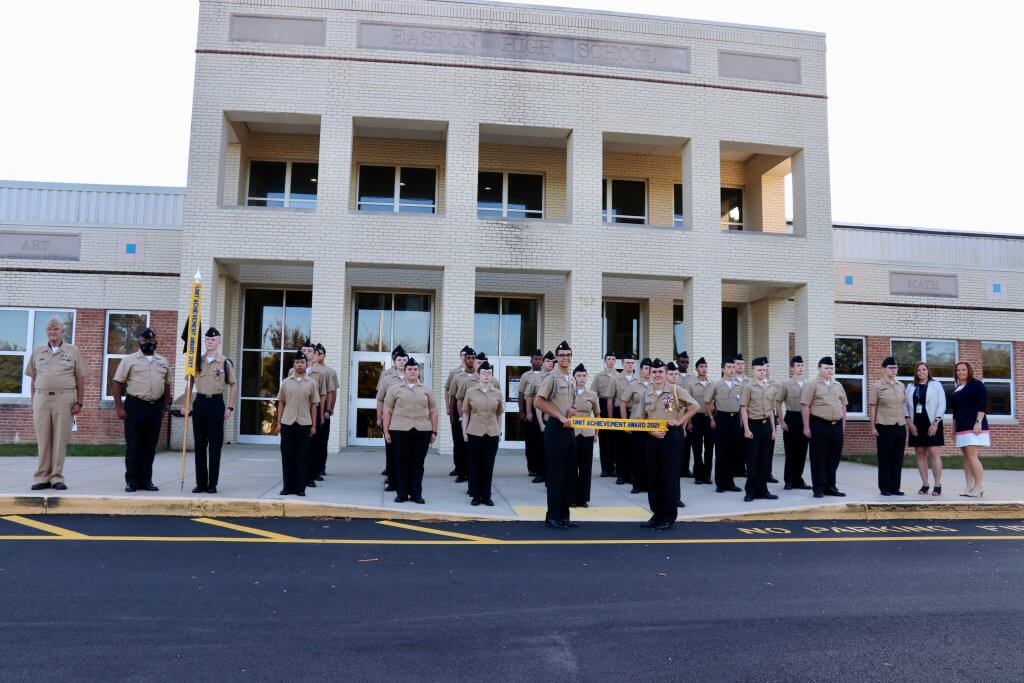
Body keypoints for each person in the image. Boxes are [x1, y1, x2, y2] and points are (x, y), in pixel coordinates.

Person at [26, 315, 86, 491]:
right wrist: (33, 401)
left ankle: (57, 477)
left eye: (56, 329)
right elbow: (33, 379)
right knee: (43, 438)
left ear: (62, 331)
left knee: (60, 438)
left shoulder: (72, 351)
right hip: (41, 398)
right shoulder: (38, 351)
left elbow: (80, 379)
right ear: (46, 331)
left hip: (64, 398)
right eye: (49, 329)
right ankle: (42, 477)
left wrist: (79, 402)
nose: (53, 332)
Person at [639, 358, 699, 530]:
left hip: (671, 437)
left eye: (660, 372)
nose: (657, 375)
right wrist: (650, 431)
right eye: (654, 372)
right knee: (653, 477)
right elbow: (641, 418)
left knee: (669, 476)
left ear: (665, 374)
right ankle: (656, 513)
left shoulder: (675, 390)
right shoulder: (646, 394)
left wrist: (680, 421)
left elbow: (694, 406)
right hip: (652, 437)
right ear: (650, 374)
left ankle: (668, 515)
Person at [112, 327, 172, 492]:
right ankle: (131, 480)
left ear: (156, 342)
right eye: (145, 340)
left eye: (151, 341)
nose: (148, 343)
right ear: (139, 341)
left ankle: (146, 480)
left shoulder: (163, 361)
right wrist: (119, 407)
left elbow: (167, 386)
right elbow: (117, 383)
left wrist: (165, 407)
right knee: (134, 445)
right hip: (135, 406)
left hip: (155, 408)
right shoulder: (129, 360)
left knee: (149, 446)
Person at [188, 327, 236, 494]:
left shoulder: (224, 362)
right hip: (200, 403)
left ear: (219, 341)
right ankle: (200, 483)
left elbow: (233, 384)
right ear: (205, 341)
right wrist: (186, 404)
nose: (210, 342)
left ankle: (212, 484)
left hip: (216, 404)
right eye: (208, 339)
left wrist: (230, 406)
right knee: (200, 445)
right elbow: (190, 383)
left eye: (213, 339)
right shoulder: (196, 362)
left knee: (215, 446)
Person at [383, 357, 437, 504]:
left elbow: (433, 411)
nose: (412, 371)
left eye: (415, 369)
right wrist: (386, 431)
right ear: (405, 371)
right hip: (399, 430)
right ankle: (401, 493)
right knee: (401, 463)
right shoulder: (394, 389)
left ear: (418, 372)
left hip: (422, 431)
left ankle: (416, 494)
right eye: (409, 369)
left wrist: (434, 431)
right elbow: (387, 410)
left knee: (418, 463)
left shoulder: (427, 390)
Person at [535, 341, 577, 530]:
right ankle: (552, 516)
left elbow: (570, 402)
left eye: (568, 355)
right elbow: (539, 402)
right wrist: (560, 416)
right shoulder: (551, 378)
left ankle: (564, 515)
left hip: (569, 429)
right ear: (557, 358)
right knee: (556, 475)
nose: (565, 358)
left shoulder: (572, 379)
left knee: (569, 474)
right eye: (562, 355)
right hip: (555, 430)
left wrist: (572, 410)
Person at [801, 356, 848, 499]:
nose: (829, 370)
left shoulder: (838, 385)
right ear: (819, 368)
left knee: (834, 458)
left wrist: (843, 425)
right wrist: (806, 427)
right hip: (819, 425)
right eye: (826, 368)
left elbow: (844, 405)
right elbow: (805, 406)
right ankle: (818, 488)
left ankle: (830, 486)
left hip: (836, 426)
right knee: (818, 458)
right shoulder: (813, 385)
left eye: (831, 368)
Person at [275, 351, 318, 496]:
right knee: (287, 456)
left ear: (306, 365)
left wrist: (313, 425)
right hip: (287, 422)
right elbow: (281, 402)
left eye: (303, 362)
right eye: (297, 362)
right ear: (294, 365)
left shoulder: (312, 383)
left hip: (304, 423)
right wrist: (279, 422)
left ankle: (300, 488)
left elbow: (314, 405)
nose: (300, 365)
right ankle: (287, 487)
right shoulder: (286, 382)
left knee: (302, 456)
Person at [461, 359, 503, 506]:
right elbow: (465, 412)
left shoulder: (497, 393)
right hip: (474, 432)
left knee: (488, 465)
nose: (486, 375)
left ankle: (487, 496)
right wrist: (464, 432)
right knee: (474, 465)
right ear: (478, 375)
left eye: (489, 373)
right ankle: (475, 495)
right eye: (484, 373)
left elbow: (499, 413)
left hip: (491, 433)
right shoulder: (470, 392)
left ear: (492, 376)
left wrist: (499, 431)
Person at [740, 357, 779, 502]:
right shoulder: (748, 387)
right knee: (752, 460)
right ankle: (750, 491)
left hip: (766, 426)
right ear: (753, 371)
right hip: (753, 425)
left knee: (765, 460)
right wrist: (746, 429)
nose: (762, 372)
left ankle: (763, 490)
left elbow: (771, 411)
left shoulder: (770, 388)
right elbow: (743, 408)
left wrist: (773, 430)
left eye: (764, 370)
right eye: (759, 370)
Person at [905, 361, 946, 496]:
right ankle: (925, 484)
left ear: (928, 371)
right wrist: (909, 424)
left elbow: (942, 404)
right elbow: (905, 406)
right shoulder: (911, 386)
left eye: (924, 369)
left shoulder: (936, 385)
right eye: (918, 370)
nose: (921, 372)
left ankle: (938, 484)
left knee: (934, 454)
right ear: (916, 372)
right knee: (921, 455)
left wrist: (936, 423)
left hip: (932, 423)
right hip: (916, 425)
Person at [868, 356, 906, 496]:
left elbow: (904, 405)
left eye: (895, 368)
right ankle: (884, 487)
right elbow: (873, 407)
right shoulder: (877, 386)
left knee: (897, 458)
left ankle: (895, 487)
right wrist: (873, 427)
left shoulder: (900, 385)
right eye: (891, 368)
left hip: (900, 425)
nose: (894, 370)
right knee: (885, 458)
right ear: (884, 369)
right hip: (884, 426)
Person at [950, 361, 989, 497]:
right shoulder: (957, 388)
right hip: (961, 427)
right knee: (966, 457)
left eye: (963, 370)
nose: (961, 372)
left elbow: (982, 405)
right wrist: (954, 427)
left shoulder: (977, 385)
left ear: (969, 371)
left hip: (974, 426)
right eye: (958, 370)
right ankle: (969, 486)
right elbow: (955, 410)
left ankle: (979, 487)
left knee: (972, 456)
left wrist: (978, 422)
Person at [775, 356, 811, 490]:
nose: (800, 368)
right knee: (791, 452)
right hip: (791, 418)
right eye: (798, 366)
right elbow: (778, 402)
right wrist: (782, 421)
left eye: (802, 365)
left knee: (802, 452)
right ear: (792, 368)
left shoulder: (808, 384)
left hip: (805, 419)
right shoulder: (786, 384)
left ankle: (798, 480)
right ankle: (788, 480)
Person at [376, 345, 408, 491]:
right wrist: (379, 417)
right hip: (391, 418)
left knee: (404, 451)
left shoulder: (413, 377)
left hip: (407, 420)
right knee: (391, 449)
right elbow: (380, 399)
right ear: (394, 361)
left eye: (404, 360)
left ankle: (403, 479)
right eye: (399, 359)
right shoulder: (387, 378)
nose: (402, 362)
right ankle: (391, 477)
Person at [708, 356, 743, 493]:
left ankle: (730, 482)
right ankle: (720, 483)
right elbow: (707, 402)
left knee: (733, 451)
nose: (732, 369)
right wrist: (711, 417)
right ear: (723, 369)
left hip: (734, 419)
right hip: (721, 419)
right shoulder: (717, 385)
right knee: (721, 452)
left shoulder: (739, 386)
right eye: (729, 367)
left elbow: (743, 405)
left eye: (733, 367)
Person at [620, 358, 652, 494]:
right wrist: (625, 423)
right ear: (641, 369)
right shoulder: (634, 385)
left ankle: (649, 485)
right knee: (637, 456)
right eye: (646, 368)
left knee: (650, 456)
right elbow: (623, 403)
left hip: (651, 426)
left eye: (651, 368)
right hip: (637, 424)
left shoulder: (656, 385)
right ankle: (637, 484)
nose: (649, 371)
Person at [570, 363, 600, 507]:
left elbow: (598, 415)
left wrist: (596, 433)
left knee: (586, 467)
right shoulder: (570, 393)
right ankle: (572, 498)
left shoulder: (592, 395)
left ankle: (583, 499)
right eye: (579, 375)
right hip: (573, 433)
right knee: (571, 466)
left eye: (584, 375)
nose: (581, 378)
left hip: (587, 433)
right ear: (574, 377)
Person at [525, 351, 555, 484]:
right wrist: (528, 412)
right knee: (539, 445)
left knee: (553, 447)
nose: (550, 364)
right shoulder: (536, 378)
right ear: (543, 363)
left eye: (552, 362)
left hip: (555, 417)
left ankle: (551, 474)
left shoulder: (559, 377)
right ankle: (540, 472)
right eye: (548, 361)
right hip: (540, 417)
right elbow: (529, 395)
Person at [684, 357, 714, 485]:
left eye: (705, 366)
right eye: (701, 366)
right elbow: (687, 405)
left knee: (709, 448)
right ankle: (698, 476)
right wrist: (689, 422)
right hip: (696, 418)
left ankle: (707, 476)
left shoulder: (712, 384)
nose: (704, 369)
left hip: (709, 419)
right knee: (696, 449)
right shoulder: (691, 385)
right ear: (696, 369)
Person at [312, 343, 339, 479]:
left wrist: (329, 409)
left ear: (324, 355)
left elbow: (331, 392)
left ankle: (321, 467)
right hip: (308, 411)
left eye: (320, 353)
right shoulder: (306, 370)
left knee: (322, 441)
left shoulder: (329, 372)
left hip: (322, 410)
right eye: (316, 353)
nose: (318, 356)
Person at [446, 346, 473, 481]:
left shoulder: (478, 374)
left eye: (467, 356)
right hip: (458, 412)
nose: (465, 358)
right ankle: (459, 468)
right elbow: (449, 393)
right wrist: (449, 412)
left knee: (469, 443)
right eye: (463, 355)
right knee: (458, 442)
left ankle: (469, 469)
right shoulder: (455, 373)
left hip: (473, 413)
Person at [591, 351, 619, 478]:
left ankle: (613, 468)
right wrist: (596, 411)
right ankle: (605, 469)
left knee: (614, 440)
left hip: (615, 407)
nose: (611, 361)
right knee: (604, 439)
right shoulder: (598, 377)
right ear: (605, 361)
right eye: (609, 359)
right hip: (602, 406)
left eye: (613, 359)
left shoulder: (619, 376)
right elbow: (593, 394)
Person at [612, 354, 638, 485]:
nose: (630, 365)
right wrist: (611, 418)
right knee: (620, 445)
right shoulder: (615, 379)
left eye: (632, 363)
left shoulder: (637, 379)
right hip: (618, 412)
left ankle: (631, 475)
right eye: (627, 363)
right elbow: (610, 399)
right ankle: (620, 475)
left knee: (632, 445)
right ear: (622, 364)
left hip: (633, 412)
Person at [518, 349, 545, 478]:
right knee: (530, 442)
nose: (538, 361)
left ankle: (541, 467)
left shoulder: (547, 375)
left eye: (540, 359)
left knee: (541, 441)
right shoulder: (525, 376)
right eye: (536, 359)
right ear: (531, 360)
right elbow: (521, 394)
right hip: (531, 412)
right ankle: (532, 468)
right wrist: (522, 411)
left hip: (544, 411)